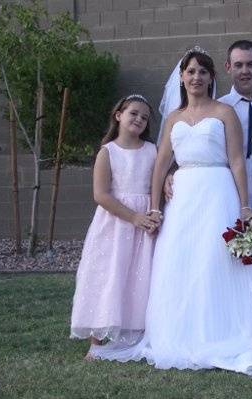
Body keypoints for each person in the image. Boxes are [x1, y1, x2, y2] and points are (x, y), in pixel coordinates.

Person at [90, 47, 252, 373]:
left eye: (202, 72)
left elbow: (236, 161)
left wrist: (245, 206)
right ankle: (177, 330)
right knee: (179, 260)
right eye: (190, 71)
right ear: (182, 77)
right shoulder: (174, 119)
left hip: (218, 191)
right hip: (184, 197)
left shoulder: (224, 113)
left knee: (214, 260)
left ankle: (220, 330)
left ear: (211, 77)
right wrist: (155, 208)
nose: (196, 77)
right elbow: (161, 165)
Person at [165, 40, 252, 236]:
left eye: (250, 64)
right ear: (228, 68)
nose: (245, 71)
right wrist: (171, 172)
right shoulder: (217, 110)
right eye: (238, 65)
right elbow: (196, 151)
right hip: (229, 211)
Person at [70, 94, 157, 360]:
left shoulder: (152, 150)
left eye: (144, 117)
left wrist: (152, 213)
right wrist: (133, 217)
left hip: (146, 223)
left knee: (140, 276)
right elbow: (101, 195)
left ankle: (137, 333)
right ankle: (96, 341)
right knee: (108, 275)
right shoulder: (108, 152)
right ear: (118, 115)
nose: (139, 119)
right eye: (133, 113)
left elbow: (157, 182)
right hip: (116, 222)